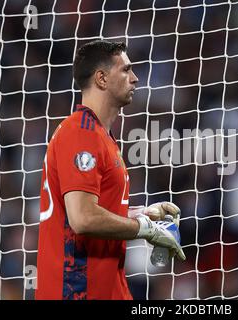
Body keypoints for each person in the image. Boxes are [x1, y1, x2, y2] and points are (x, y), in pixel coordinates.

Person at [35, 40, 185, 300]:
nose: (135, 79)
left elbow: (94, 209)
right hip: (77, 292)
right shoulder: (80, 133)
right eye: (126, 70)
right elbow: (82, 218)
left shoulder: (99, 136)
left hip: (107, 288)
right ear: (102, 78)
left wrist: (143, 213)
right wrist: (145, 228)